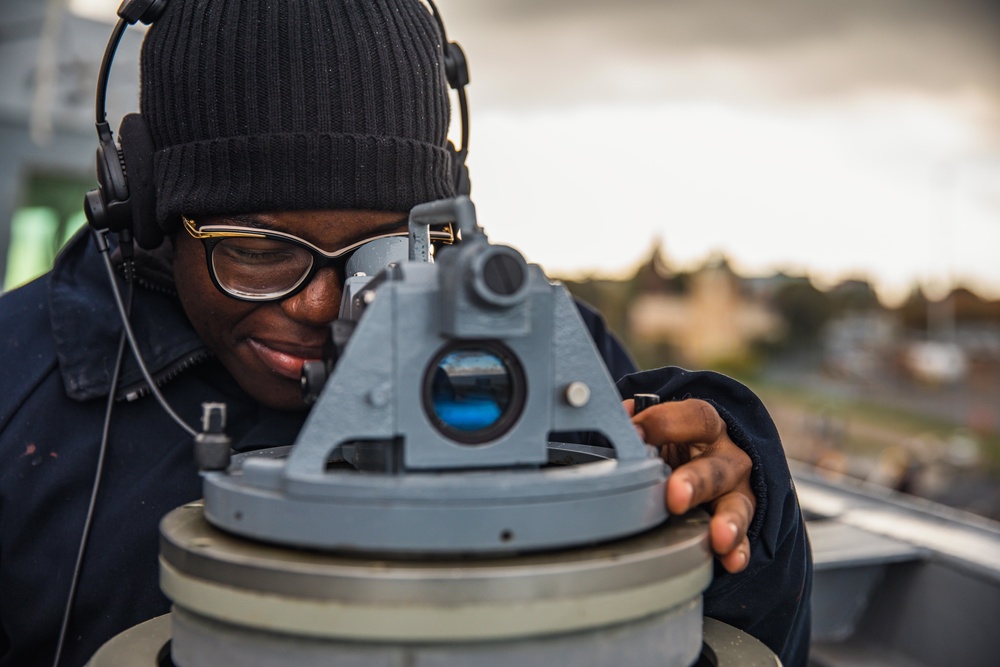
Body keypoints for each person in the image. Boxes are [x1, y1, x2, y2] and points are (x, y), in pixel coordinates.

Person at [0, 1, 811, 666]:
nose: (320, 305)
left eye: (381, 257)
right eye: (255, 252)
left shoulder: (529, 344)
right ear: (142, 209)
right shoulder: (15, 389)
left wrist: (744, 494)